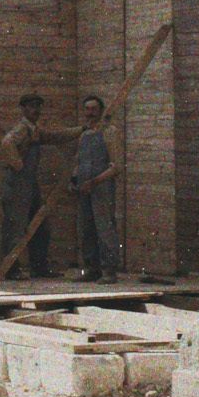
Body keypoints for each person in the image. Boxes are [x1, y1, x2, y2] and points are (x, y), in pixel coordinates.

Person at [0, 94, 80, 279]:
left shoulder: (34, 130)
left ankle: (39, 267)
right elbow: (7, 142)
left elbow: (55, 136)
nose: (36, 110)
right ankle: (10, 270)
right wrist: (17, 164)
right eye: (31, 106)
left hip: (29, 185)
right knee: (15, 228)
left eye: (38, 106)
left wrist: (80, 130)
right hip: (18, 184)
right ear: (23, 109)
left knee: (40, 226)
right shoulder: (22, 129)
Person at [69, 94, 121, 281]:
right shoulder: (84, 135)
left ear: (101, 111)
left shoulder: (109, 132)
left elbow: (116, 167)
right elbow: (79, 161)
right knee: (87, 228)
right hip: (84, 189)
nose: (90, 113)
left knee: (105, 227)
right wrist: (74, 180)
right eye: (87, 109)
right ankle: (91, 269)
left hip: (101, 188)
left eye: (93, 109)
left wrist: (95, 181)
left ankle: (109, 270)